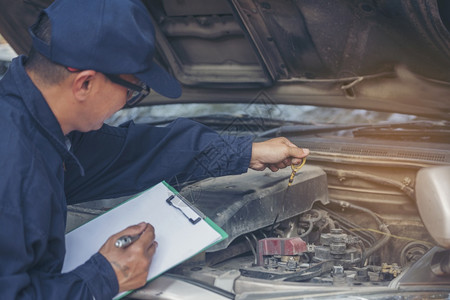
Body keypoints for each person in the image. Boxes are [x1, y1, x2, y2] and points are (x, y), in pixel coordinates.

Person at [0, 0, 309, 299]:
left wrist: (244, 151)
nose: (126, 104)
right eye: (132, 92)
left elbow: (132, 154)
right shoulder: (14, 165)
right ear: (84, 84)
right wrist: (101, 279)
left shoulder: (44, 129)